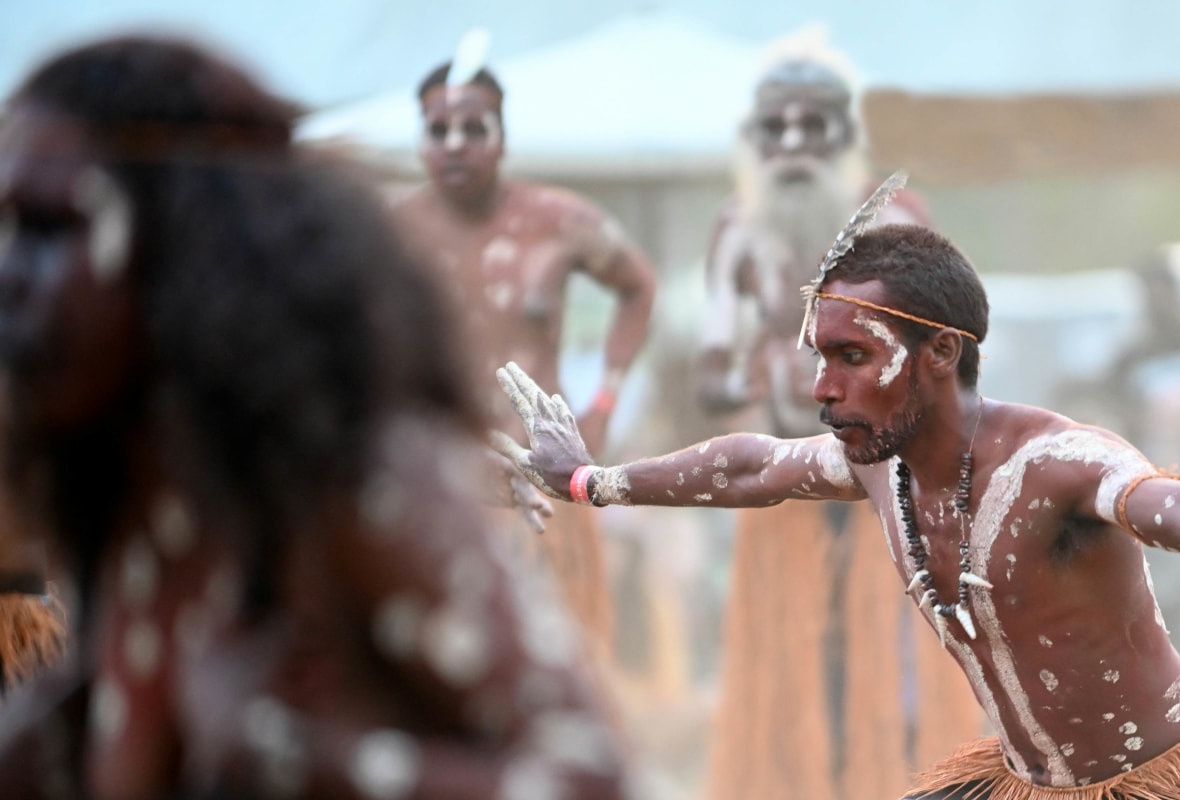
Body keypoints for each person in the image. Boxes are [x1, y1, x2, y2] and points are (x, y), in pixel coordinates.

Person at [495, 191, 1180, 798]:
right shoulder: (880, 464)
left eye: (851, 357)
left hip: (1162, 787)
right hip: (1024, 785)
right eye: (819, 356)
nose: (821, 387)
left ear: (940, 352)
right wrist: (585, 478)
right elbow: (753, 466)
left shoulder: (1061, 463)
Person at [0, 36, 636, 798]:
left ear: (182, 238)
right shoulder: (129, 504)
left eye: (47, 229)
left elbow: (595, 779)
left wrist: (289, 757)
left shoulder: (353, 482)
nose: (8, 273)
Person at [692, 28, 972, 800]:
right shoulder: (737, 229)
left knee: (888, 656)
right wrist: (743, 371)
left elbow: (949, 357)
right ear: (754, 137)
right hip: (784, 488)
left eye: (810, 125)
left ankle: (894, 782)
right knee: (793, 657)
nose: (792, 144)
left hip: (884, 480)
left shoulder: (893, 223)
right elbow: (711, 371)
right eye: (775, 127)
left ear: (843, 134)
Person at [390, 30, 657, 662]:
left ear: (502, 138)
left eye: (474, 128)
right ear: (421, 140)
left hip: (546, 486)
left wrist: (605, 400)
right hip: (442, 485)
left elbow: (638, 287)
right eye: (438, 130)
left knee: (564, 661)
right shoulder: (392, 233)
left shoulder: (558, 222)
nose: (455, 144)